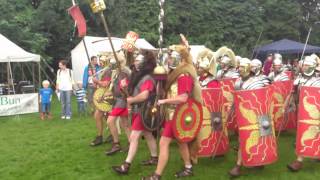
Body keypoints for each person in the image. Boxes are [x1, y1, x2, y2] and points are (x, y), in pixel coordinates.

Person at [142, 44, 202, 180]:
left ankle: (157, 175)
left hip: (178, 115)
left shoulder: (184, 76)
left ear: (180, 59)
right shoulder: (175, 74)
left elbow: (183, 98)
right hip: (172, 115)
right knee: (181, 142)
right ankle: (188, 167)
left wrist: (164, 102)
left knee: (163, 143)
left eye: (171, 57)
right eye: (168, 57)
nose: (168, 60)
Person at [112, 50, 158, 175]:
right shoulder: (138, 76)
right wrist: (124, 87)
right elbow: (131, 92)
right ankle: (154, 158)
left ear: (144, 63)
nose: (135, 62)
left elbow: (144, 95)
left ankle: (126, 165)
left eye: (138, 60)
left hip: (145, 110)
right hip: (140, 110)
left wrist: (132, 99)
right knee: (148, 134)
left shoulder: (147, 78)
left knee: (133, 137)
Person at [229, 58, 272, 177]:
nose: (240, 69)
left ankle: (257, 161)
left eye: (242, 67)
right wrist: (232, 108)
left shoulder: (257, 82)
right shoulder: (238, 82)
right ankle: (238, 165)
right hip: (245, 115)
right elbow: (237, 98)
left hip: (258, 115)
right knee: (242, 139)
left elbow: (263, 99)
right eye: (239, 67)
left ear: (248, 68)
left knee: (259, 139)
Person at [287, 56, 320, 172]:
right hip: (302, 111)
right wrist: (289, 103)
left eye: (306, 65)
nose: (303, 67)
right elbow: (293, 93)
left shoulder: (317, 81)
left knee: (313, 133)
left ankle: (299, 160)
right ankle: (300, 159)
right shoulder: (299, 79)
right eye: (303, 65)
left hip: (315, 111)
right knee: (304, 133)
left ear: (311, 66)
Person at [104, 52, 132, 155]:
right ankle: (131, 143)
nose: (112, 65)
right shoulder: (116, 72)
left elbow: (128, 89)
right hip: (117, 99)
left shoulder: (124, 72)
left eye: (114, 63)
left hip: (122, 100)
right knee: (124, 123)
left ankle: (116, 144)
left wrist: (125, 88)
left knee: (110, 121)